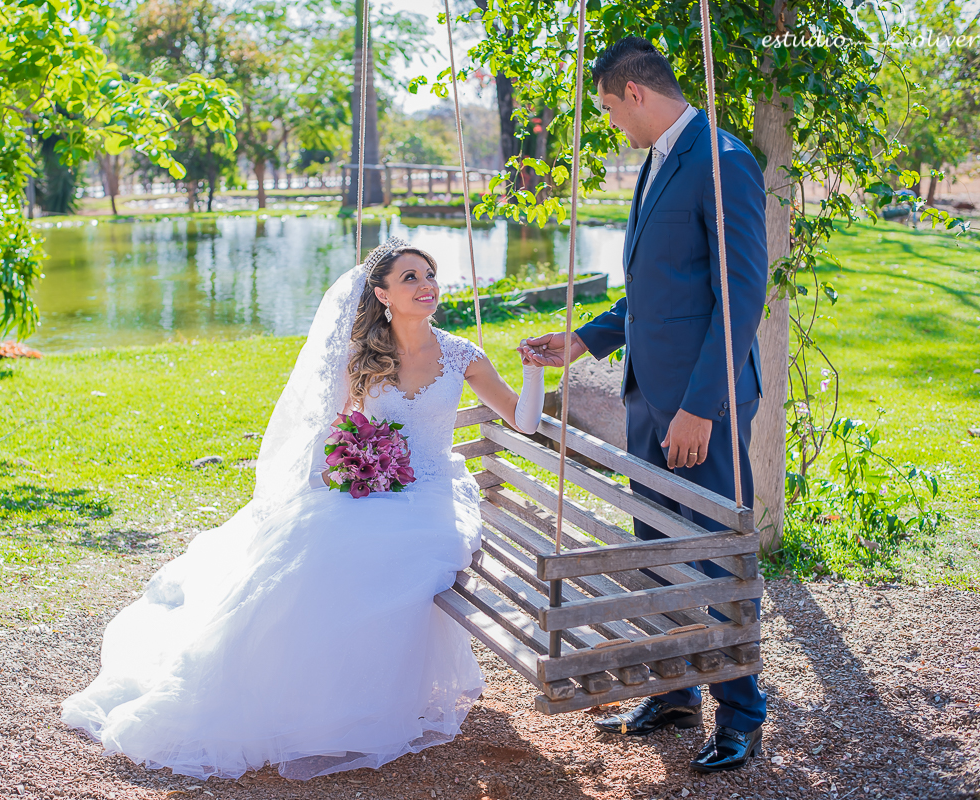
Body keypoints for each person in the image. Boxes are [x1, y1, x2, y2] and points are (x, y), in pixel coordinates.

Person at [63, 238, 546, 781]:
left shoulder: (463, 355)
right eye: (409, 277)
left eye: (429, 274)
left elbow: (522, 420)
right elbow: (335, 428)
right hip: (371, 487)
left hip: (433, 494)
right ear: (383, 294)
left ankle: (375, 698)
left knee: (402, 558)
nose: (425, 285)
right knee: (318, 551)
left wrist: (532, 370)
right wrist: (351, 465)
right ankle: (293, 696)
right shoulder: (362, 357)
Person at [520, 36, 768, 773]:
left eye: (607, 108)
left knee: (712, 552)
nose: (611, 124)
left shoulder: (723, 162)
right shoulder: (658, 161)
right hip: (646, 396)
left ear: (633, 93)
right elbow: (657, 288)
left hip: (702, 403)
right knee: (657, 549)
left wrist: (702, 405)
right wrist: (585, 342)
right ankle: (674, 690)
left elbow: (740, 295)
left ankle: (741, 712)